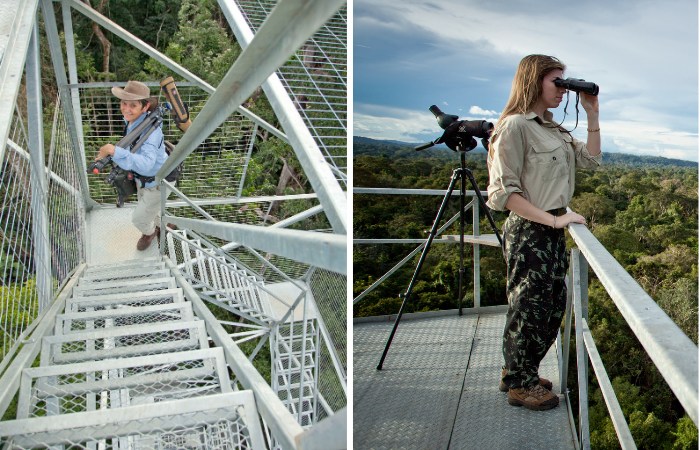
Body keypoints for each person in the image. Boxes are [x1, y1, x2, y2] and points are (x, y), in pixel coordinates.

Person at [486, 54, 602, 411]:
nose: (563, 92)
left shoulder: (553, 129)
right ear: (534, 81)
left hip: (551, 228)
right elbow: (502, 194)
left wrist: (593, 113)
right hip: (529, 229)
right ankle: (520, 383)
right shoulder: (515, 126)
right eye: (557, 83)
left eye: (565, 84)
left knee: (551, 308)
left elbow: (592, 159)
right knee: (528, 308)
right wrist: (554, 221)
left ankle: (520, 371)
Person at [95, 80, 169, 251]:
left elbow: (146, 164)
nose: (126, 109)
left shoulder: (151, 134)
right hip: (144, 180)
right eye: (124, 103)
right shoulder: (136, 122)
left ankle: (150, 232)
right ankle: (161, 223)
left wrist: (114, 151)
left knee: (138, 219)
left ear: (145, 107)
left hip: (157, 183)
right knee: (149, 207)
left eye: (133, 105)